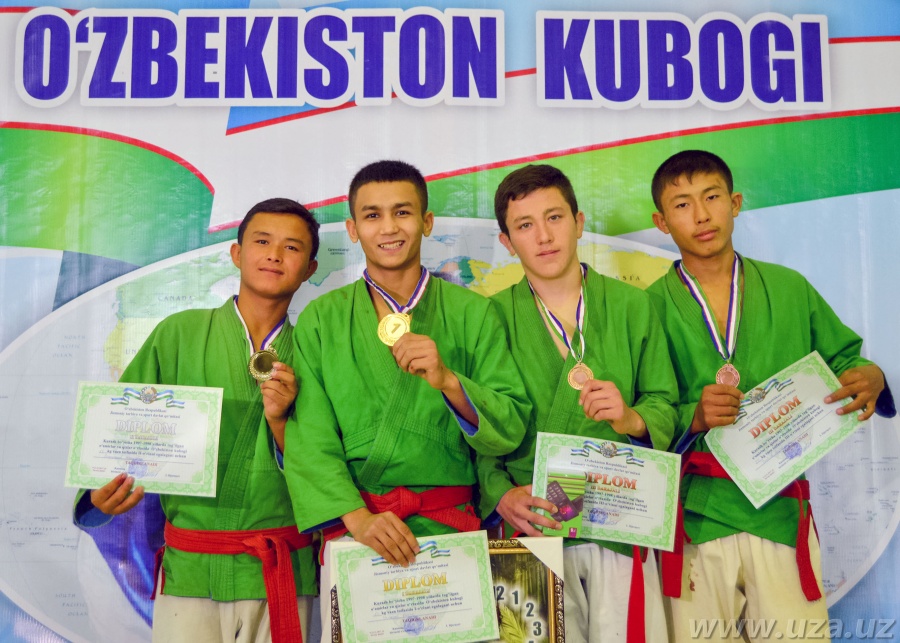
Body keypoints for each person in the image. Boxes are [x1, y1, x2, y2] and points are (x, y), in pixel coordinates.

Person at [646, 150, 895, 642]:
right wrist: (692, 417)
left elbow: (844, 360)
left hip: (780, 511)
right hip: (695, 516)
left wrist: (872, 375)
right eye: (682, 204)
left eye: (712, 197)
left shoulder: (789, 288)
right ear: (661, 221)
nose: (701, 215)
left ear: (735, 203)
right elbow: (637, 414)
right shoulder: (645, 307)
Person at [282, 159, 530, 639]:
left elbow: (511, 421)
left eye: (402, 212)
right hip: (359, 535)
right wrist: (358, 518)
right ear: (353, 229)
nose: (389, 228)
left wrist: (449, 381)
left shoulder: (473, 313)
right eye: (372, 215)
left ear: (427, 221)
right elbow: (309, 437)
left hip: (450, 532)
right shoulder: (320, 320)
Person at [73, 198, 321, 643]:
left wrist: (283, 422)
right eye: (262, 241)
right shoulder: (178, 333)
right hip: (191, 570)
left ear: (310, 268)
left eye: (292, 247)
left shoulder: (316, 351)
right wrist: (100, 490)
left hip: (282, 570)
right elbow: (121, 428)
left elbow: (327, 463)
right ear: (236, 253)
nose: (274, 255)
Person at [477, 164, 679, 643]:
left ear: (579, 221)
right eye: (525, 225)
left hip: (619, 521)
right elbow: (479, 424)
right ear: (507, 242)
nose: (544, 236)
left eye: (555, 218)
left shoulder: (632, 305)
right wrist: (499, 494)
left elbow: (666, 402)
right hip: (531, 524)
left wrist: (631, 417)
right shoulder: (490, 316)